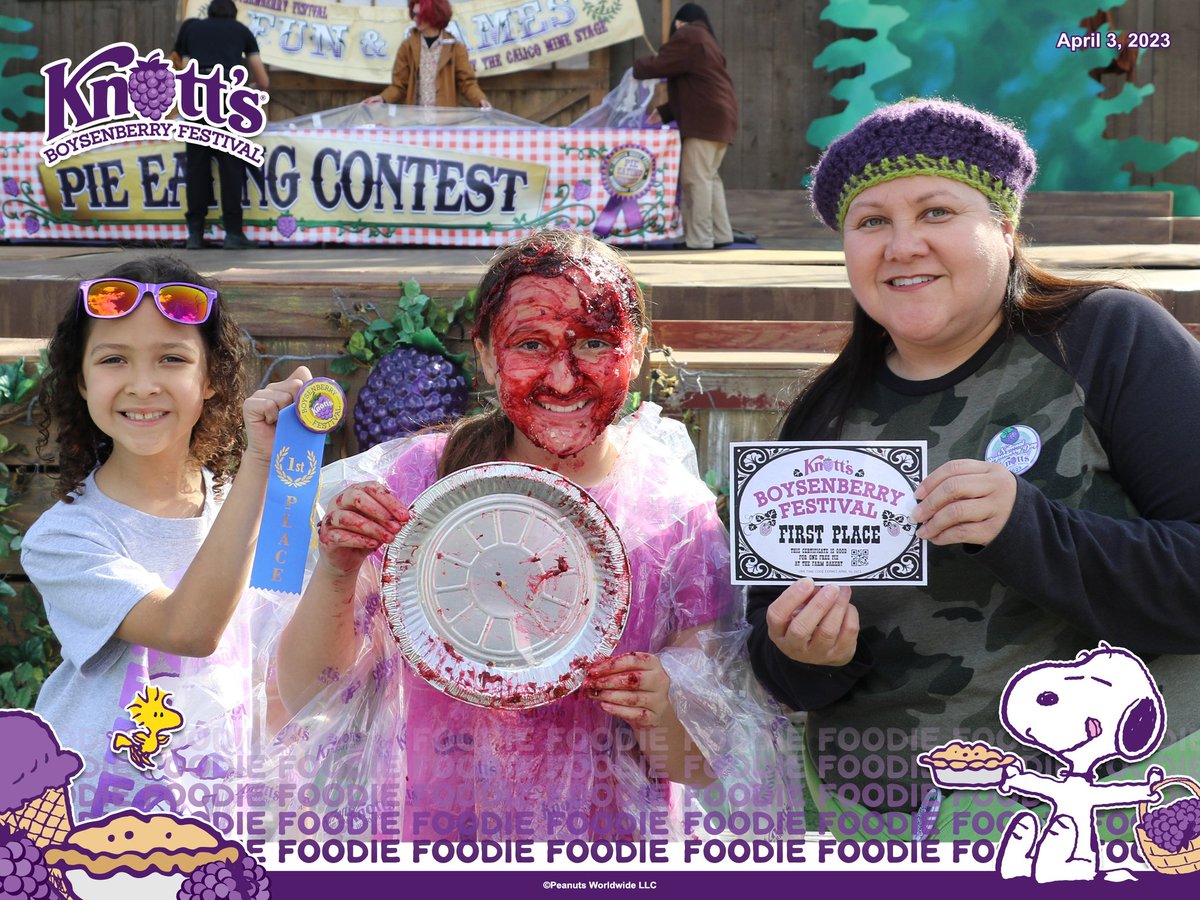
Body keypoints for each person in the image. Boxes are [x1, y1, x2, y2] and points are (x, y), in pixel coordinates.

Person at [744, 98, 1200, 842]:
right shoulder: (822, 421)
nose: (903, 245)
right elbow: (777, 659)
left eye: (936, 212)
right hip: (878, 827)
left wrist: (1028, 528)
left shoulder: (1105, 340)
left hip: (1100, 818)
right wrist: (805, 655)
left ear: (1005, 227)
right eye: (871, 222)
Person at [268, 230, 794, 840]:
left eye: (595, 342)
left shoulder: (672, 517)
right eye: (531, 344)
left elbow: (699, 765)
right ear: (487, 356)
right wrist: (338, 569)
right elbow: (306, 698)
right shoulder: (420, 487)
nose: (564, 379)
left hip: (608, 861)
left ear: (637, 353)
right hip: (440, 848)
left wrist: (660, 710)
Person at [24, 255, 310, 817]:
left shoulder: (251, 509)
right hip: (88, 822)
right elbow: (189, 630)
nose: (143, 385)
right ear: (81, 380)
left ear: (210, 380)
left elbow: (292, 664)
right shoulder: (63, 538)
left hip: (226, 813)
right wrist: (261, 464)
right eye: (113, 359)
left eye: (172, 358)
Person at [633, 4, 737, 250]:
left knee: (695, 180)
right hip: (720, 119)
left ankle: (700, 240)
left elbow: (661, 64)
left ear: (679, 22)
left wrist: (636, 68)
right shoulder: (707, 40)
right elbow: (697, 87)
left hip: (704, 121)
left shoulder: (689, 35)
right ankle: (721, 234)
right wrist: (665, 112)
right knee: (709, 178)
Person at [173, 0, 269, 250]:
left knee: (196, 166)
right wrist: (248, 89)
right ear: (234, 13)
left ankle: (195, 234)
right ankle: (233, 233)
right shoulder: (241, 31)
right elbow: (263, 80)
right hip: (228, 99)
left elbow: (185, 69)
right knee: (231, 167)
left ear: (210, 11)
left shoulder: (192, 30)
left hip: (197, 99)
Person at [364, 0, 490, 110]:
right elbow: (399, 86)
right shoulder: (407, 47)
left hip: (445, 123)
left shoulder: (455, 48)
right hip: (414, 122)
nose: (415, 19)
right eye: (413, 14)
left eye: (419, 15)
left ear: (434, 14)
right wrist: (383, 98)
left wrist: (480, 100)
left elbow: (467, 83)